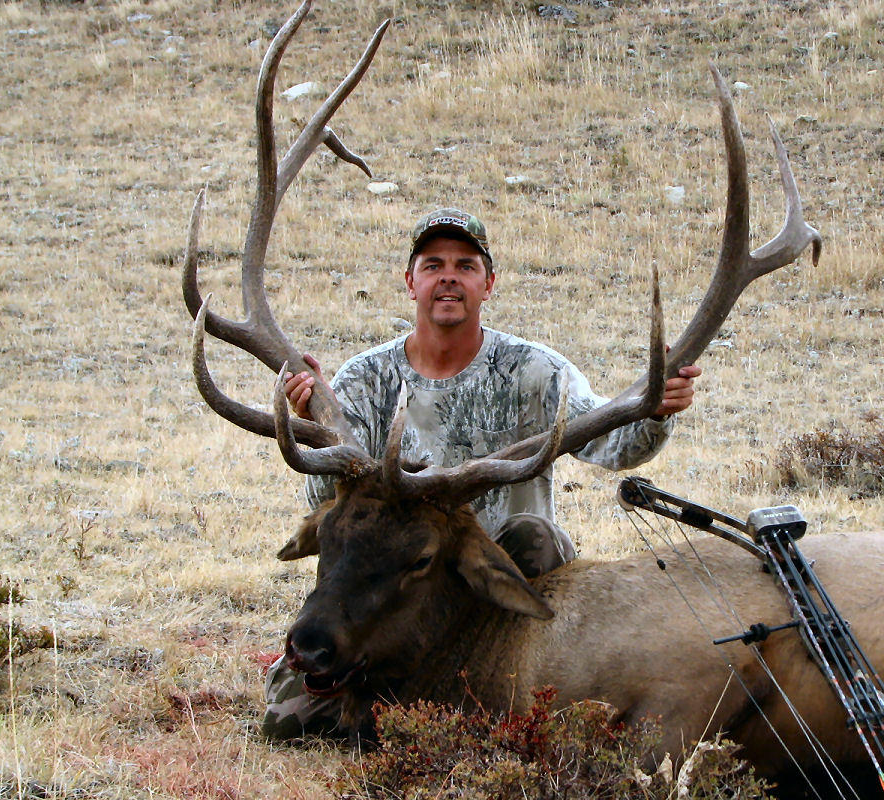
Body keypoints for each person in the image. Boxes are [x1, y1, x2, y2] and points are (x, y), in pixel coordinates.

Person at [261, 208, 701, 739]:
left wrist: (654, 412)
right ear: (411, 281)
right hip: (401, 594)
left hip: (500, 580)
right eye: (433, 264)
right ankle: (418, 701)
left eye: (465, 265)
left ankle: (527, 689)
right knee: (288, 720)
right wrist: (313, 422)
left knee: (536, 535)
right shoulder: (365, 379)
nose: (449, 276)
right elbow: (332, 505)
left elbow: (614, 445)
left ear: (487, 283)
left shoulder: (535, 371)